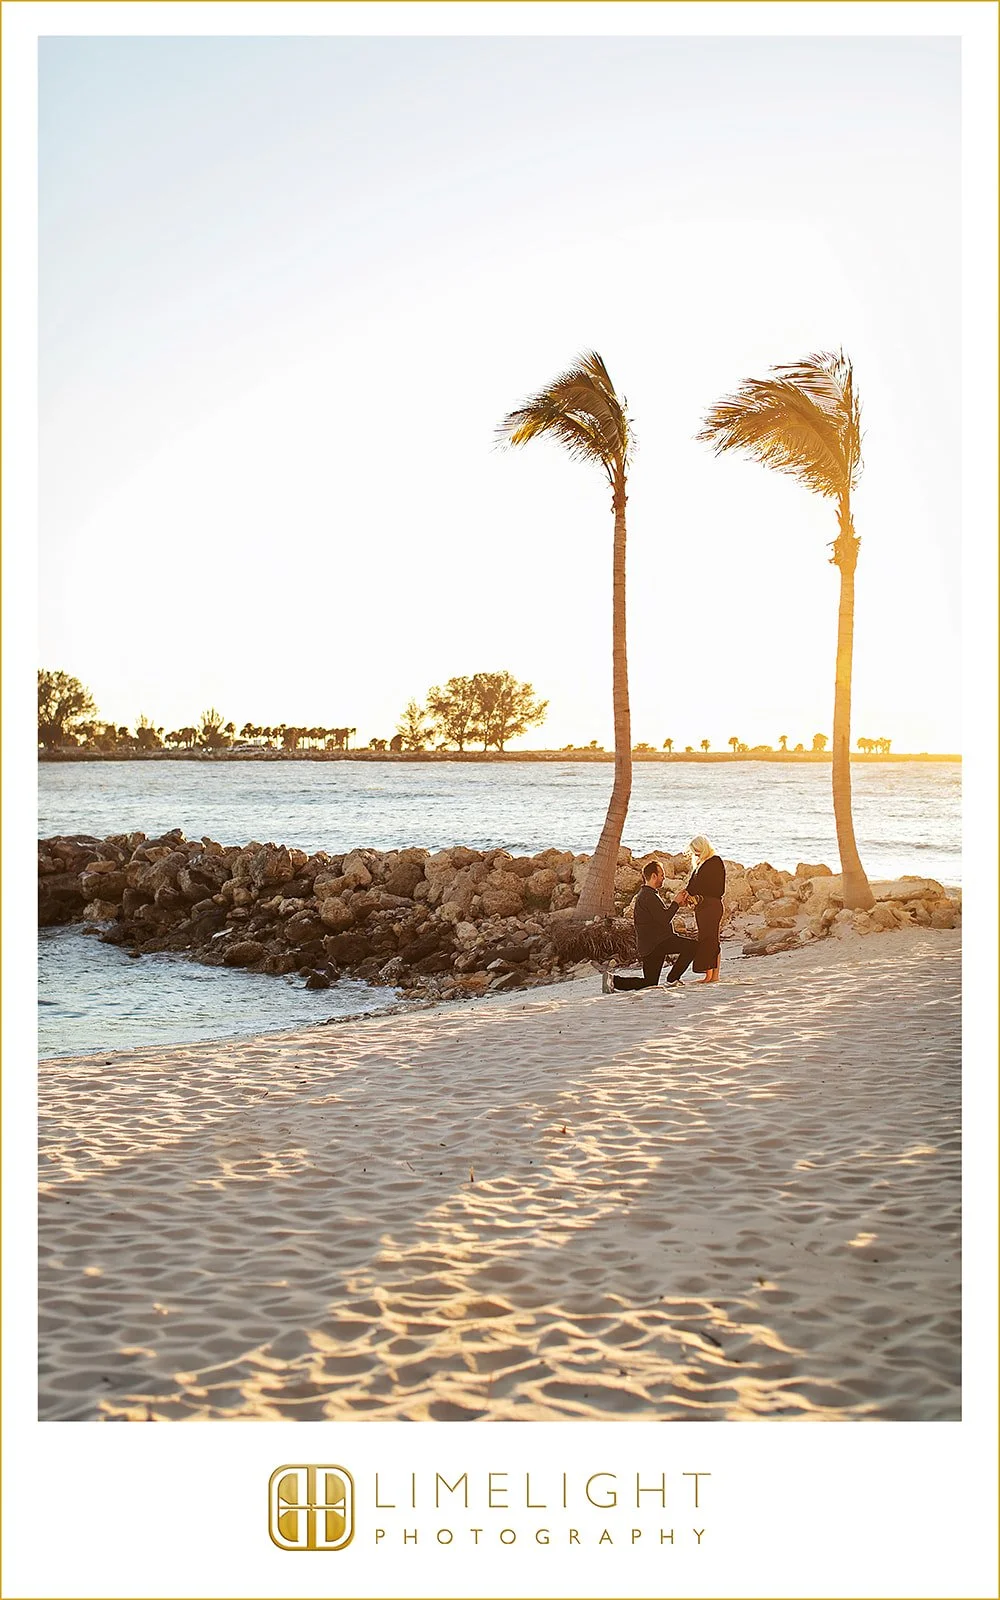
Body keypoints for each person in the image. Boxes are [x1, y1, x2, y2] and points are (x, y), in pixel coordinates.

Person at [605, 859, 697, 992]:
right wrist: (676, 903)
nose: (663, 878)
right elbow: (664, 919)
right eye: (662, 875)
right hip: (657, 944)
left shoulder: (647, 895)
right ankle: (672, 978)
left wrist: (677, 905)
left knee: (650, 982)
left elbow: (659, 918)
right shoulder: (648, 896)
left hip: (652, 945)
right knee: (693, 946)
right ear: (653, 876)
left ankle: (613, 981)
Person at [679, 835, 726, 983]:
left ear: (704, 847)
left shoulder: (714, 861)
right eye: (694, 851)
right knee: (708, 939)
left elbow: (717, 888)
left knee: (710, 940)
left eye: (698, 850)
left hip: (711, 906)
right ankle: (711, 975)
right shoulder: (700, 864)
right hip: (703, 907)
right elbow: (693, 885)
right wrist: (686, 894)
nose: (696, 854)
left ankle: (712, 976)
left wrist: (697, 896)